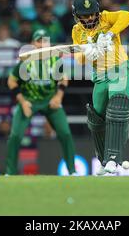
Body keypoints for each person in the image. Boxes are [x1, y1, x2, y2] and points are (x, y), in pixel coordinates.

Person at [71, 0, 129, 175]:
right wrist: (87, 54)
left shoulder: (106, 18)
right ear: (77, 16)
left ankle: (114, 160)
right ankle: (104, 160)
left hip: (120, 70)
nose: (90, 18)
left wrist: (109, 33)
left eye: (92, 13)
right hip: (100, 77)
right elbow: (78, 59)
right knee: (97, 118)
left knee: (117, 108)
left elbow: (127, 15)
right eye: (85, 15)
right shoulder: (77, 31)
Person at [5, 29, 76, 175]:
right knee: (15, 136)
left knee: (65, 134)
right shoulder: (26, 62)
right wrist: (23, 102)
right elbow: (11, 81)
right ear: (32, 44)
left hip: (50, 100)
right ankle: (10, 173)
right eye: (38, 41)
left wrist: (58, 97)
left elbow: (64, 79)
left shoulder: (55, 60)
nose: (42, 44)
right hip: (29, 101)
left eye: (45, 41)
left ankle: (72, 171)